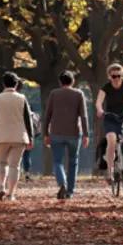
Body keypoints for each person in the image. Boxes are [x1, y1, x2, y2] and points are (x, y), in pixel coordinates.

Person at [0, 72, 34, 201]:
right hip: (19, 136)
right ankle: (11, 194)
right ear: (16, 84)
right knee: (14, 165)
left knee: (2, 162)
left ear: (3, 84)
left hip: (0, 135)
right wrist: (31, 137)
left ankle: (1, 187)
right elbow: (28, 119)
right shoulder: (22, 98)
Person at [43, 70, 90, 199]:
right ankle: (70, 191)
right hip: (74, 133)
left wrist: (45, 133)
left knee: (58, 161)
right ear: (73, 81)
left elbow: (47, 115)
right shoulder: (79, 94)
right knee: (73, 162)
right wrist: (86, 134)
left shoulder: (54, 94)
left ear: (60, 82)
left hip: (56, 133)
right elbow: (84, 116)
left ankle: (62, 183)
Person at [96, 64, 123, 183]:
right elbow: (99, 101)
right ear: (109, 76)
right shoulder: (106, 87)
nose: (117, 79)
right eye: (114, 76)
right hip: (111, 117)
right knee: (112, 140)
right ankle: (110, 171)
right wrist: (100, 110)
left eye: (119, 76)